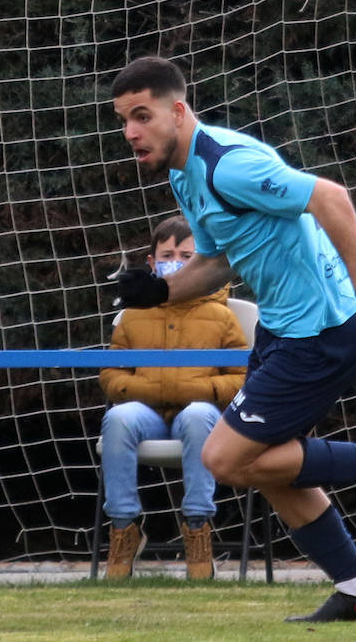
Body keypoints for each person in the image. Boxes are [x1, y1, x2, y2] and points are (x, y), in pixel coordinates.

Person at [111, 56, 356, 623]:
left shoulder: (227, 165)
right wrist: (161, 292)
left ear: (177, 111)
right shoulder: (186, 174)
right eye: (123, 121)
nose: (131, 132)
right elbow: (220, 260)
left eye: (142, 115)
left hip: (322, 333)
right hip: (284, 330)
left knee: (225, 458)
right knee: (268, 466)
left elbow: (330, 198)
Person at [100, 215, 248, 580]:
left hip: (199, 416)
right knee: (118, 419)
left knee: (199, 415)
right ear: (151, 262)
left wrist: (204, 392)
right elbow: (111, 375)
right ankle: (123, 528)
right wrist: (151, 390)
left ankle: (198, 527)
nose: (177, 262)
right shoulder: (132, 314)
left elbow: (242, 378)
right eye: (168, 254)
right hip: (146, 415)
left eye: (186, 256)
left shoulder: (222, 316)